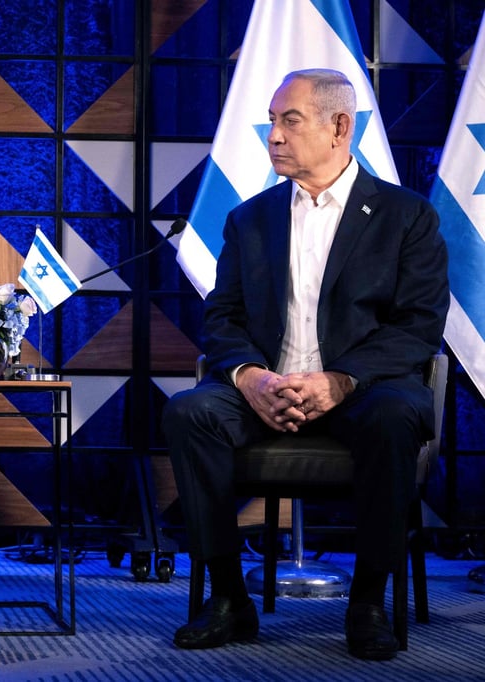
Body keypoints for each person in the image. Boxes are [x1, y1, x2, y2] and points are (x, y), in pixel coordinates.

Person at [162, 69, 449, 661]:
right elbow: (223, 319)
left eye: (289, 121)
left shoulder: (406, 216)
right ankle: (227, 599)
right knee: (191, 413)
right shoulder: (250, 218)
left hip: (363, 391)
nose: (273, 135)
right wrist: (251, 377)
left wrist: (340, 380)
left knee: (395, 414)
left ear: (339, 126)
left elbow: (418, 326)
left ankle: (368, 602)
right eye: (272, 121)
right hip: (266, 389)